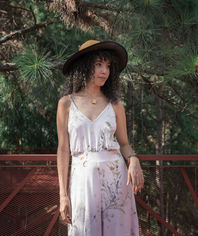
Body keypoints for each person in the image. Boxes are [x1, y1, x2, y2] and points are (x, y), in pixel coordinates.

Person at [57, 39, 144, 236]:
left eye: (108, 66)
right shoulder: (65, 104)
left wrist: (133, 159)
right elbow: (63, 149)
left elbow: (124, 144)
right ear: (85, 66)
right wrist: (63, 195)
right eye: (98, 64)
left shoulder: (115, 104)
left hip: (116, 180)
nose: (104, 71)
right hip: (82, 182)